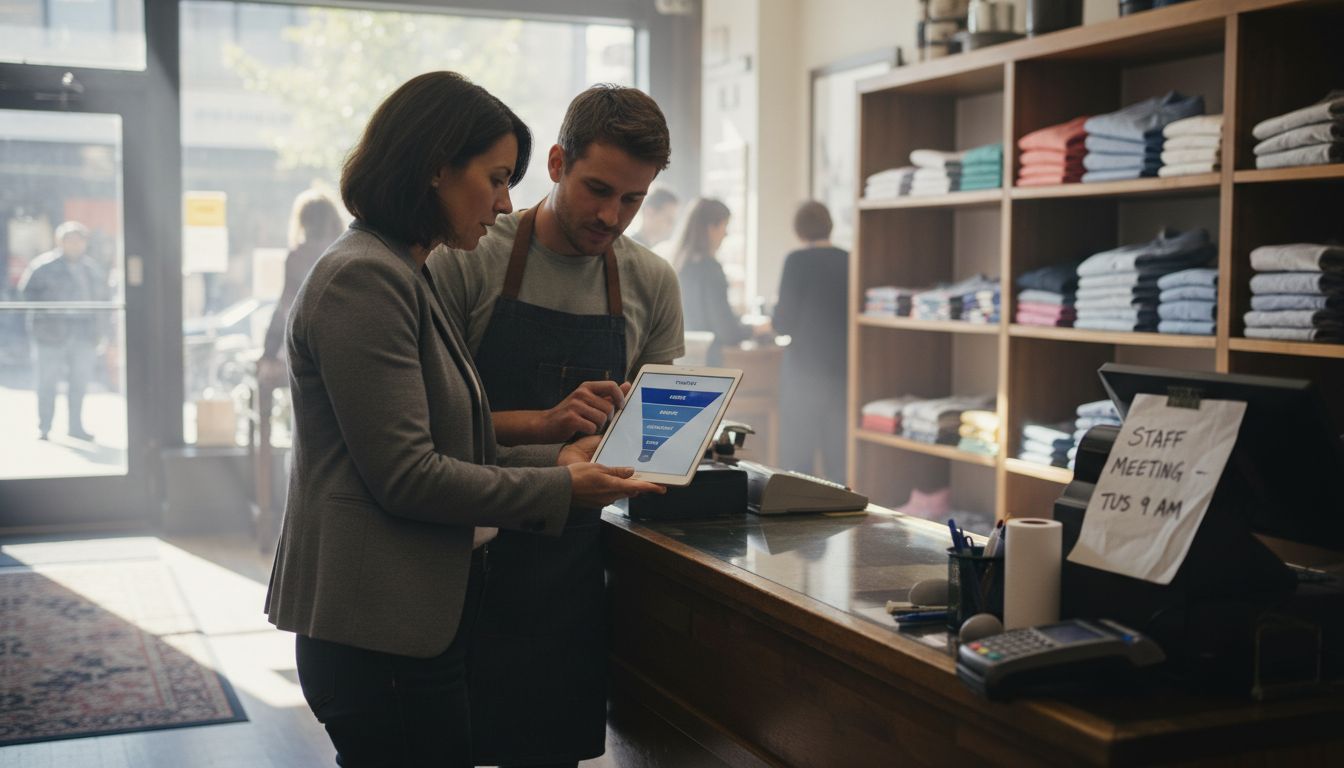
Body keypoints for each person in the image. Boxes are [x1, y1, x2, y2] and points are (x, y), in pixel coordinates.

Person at [263, 71, 662, 768]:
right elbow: (409, 477)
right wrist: (564, 487)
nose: (507, 201)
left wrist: (561, 460)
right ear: (434, 170)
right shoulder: (366, 277)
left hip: (410, 620)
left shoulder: (404, 271)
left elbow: (457, 445)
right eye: (496, 177)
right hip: (378, 627)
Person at [426, 83, 683, 768]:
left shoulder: (650, 281)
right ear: (558, 161)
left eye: (633, 199)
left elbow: (654, 436)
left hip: (568, 573)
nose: (611, 215)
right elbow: (425, 427)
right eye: (598, 188)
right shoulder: (469, 254)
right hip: (461, 557)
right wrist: (546, 430)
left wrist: (643, 439)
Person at [773, 201, 850, 482]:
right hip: (843, 367)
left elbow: (782, 321)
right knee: (838, 456)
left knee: (798, 455)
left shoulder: (797, 260)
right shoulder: (849, 259)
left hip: (804, 368)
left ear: (799, 230)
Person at [19, 220, 106, 441]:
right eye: (70, 241)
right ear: (60, 242)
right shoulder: (43, 267)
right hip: (51, 334)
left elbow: (102, 302)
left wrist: (101, 332)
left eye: (79, 241)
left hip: (83, 334)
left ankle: (75, 426)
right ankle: (45, 426)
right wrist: (46, 318)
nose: (75, 245)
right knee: (47, 382)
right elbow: (27, 296)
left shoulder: (91, 270)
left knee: (79, 383)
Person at [257, 188, 345, 385]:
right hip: (342, 346)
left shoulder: (298, 257)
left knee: (265, 379)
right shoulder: (344, 253)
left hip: (305, 347)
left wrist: (268, 352)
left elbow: (285, 307)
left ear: (304, 223)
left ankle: (264, 417)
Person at [675, 197, 750, 366]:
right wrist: (755, 330)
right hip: (708, 362)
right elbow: (726, 330)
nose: (726, 233)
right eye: (725, 225)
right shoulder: (710, 270)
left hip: (681, 361)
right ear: (711, 227)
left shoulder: (678, 265)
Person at [629, 185, 678, 249]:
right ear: (649, 212)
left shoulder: (655, 249)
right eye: (668, 218)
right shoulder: (630, 248)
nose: (671, 225)